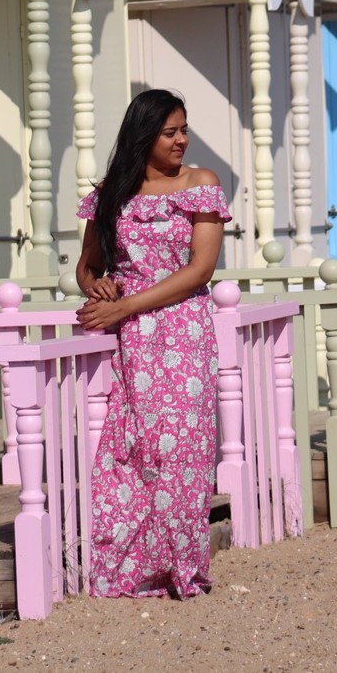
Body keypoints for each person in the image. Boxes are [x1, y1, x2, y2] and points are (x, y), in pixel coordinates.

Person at [75, 88, 231, 600]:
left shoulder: (200, 184)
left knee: (184, 453)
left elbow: (200, 270)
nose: (182, 140)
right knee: (133, 452)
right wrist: (98, 286)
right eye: (171, 132)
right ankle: (131, 568)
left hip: (183, 334)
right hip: (133, 342)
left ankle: (184, 569)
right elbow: (87, 265)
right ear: (144, 135)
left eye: (184, 129)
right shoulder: (112, 194)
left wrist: (124, 305)